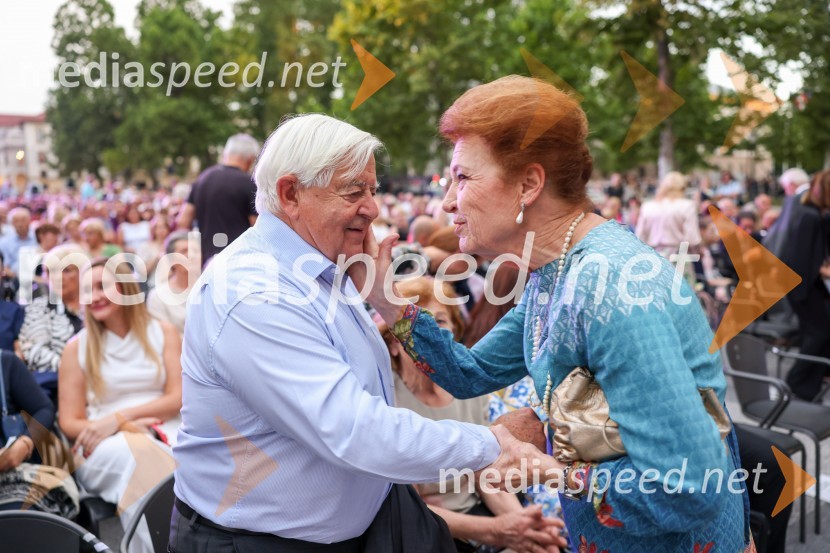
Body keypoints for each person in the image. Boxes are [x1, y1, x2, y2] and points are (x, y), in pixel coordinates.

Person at [358, 76, 752, 552]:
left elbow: (691, 489)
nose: (447, 201)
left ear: (529, 183)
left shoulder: (610, 286)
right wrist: (386, 299)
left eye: (462, 177)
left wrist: (546, 462)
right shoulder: (556, 269)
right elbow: (470, 372)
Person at [171, 114, 548, 553]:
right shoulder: (252, 292)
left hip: (366, 522)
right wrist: (493, 443)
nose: (372, 208)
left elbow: (433, 378)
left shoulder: (325, 267)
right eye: (354, 192)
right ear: (291, 193)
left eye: (373, 190)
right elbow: (353, 430)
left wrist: (382, 296)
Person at [377, 276, 566, 553]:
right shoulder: (387, 400)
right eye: (414, 328)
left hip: (480, 518)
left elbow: (486, 476)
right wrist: (499, 531)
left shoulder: (470, 389)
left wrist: (522, 523)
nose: (427, 334)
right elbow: (412, 507)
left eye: (439, 322)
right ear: (393, 344)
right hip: (426, 530)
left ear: (453, 330)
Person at [59, 258, 182, 550]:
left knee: (180, 456)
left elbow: (178, 398)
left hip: (165, 428)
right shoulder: (77, 347)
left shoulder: (163, 331)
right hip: (104, 440)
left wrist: (123, 417)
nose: (95, 296)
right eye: (88, 290)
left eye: (103, 286)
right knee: (138, 454)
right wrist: (121, 426)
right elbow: (70, 421)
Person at [771, 170, 830, 400]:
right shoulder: (810, 217)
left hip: (803, 286)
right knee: (818, 333)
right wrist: (822, 271)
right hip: (802, 288)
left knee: (819, 333)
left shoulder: (812, 214)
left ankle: (809, 385)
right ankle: (796, 385)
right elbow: (803, 258)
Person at [175, 133, 260, 265]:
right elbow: (257, 226)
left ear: (226, 153)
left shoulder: (203, 178)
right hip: (239, 260)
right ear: (249, 159)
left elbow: (183, 221)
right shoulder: (249, 183)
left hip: (207, 261)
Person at [19, 244, 87, 374]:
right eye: (52, 272)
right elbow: (35, 351)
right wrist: (74, 371)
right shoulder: (40, 307)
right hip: (58, 380)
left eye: (66, 270)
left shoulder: (94, 305)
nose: (58, 277)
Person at [146, 232, 199, 333]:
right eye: (184, 251)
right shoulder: (157, 296)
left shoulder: (210, 289)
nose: (191, 255)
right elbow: (163, 337)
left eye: (195, 251)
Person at [0, 207, 37, 277]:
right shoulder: (4, 243)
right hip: (13, 278)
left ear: (29, 221)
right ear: (11, 224)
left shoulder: (37, 239)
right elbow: (4, 266)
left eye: (23, 220)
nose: (20, 224)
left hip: (35, 276)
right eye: (16, 221)